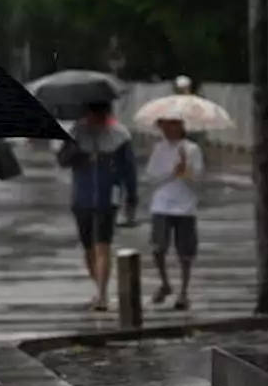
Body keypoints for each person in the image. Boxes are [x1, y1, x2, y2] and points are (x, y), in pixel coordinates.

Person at [56, 101, 138, 311]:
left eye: (101, 115)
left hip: (107, 197)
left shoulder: (119, 135)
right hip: (82, 198)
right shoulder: (76, 132)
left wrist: (131, 198)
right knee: (89, 248)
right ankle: (98, 287)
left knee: (103, 245)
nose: (97, 119)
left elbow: (129, 169)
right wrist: (81, 154)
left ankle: (102, 294)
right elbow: (62, 160)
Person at [145, 117, 204, 310]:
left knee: (186, 252)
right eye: (163, 126)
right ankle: (165, 283)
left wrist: (187, 170)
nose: (165, 130)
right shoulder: (159, 149)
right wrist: (172, 172)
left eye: (170, 125)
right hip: (162, 205)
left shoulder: (192, 149)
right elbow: (152, 177)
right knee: (158, 247)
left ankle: (184, 292)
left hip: (185, 207)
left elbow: (198, 179)